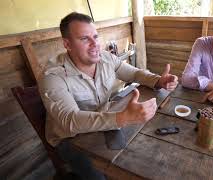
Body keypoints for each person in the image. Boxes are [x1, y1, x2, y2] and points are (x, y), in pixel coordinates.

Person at [38, 12, 178, 179]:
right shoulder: (52, 76)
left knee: (142, 154)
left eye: (95, 37)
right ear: (67, 44)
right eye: (84, 39)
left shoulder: (105, 58)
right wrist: (123, 118)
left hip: (104, 122)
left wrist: (158, 81)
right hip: (71, 139)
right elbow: (70, 120)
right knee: (105, 174)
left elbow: (134, 74)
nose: (94, 44)